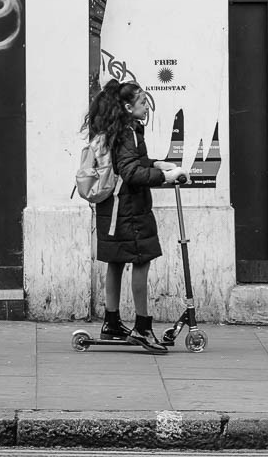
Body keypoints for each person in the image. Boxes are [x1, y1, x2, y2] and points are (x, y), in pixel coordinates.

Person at [85, 80, 184, 353]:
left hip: (115, 207)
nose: (146, 107)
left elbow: (130, 163)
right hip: (129, 208)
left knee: (116, 261)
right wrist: (164, 177)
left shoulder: (120, 130)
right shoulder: (128, 132)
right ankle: (142, 327)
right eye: (142, 103)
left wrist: (156, 163)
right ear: (128, 108)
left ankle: (111, 322)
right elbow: (130, 172)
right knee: (142, 260)